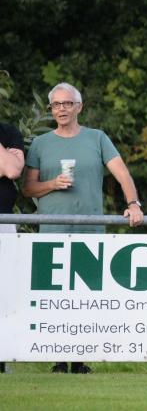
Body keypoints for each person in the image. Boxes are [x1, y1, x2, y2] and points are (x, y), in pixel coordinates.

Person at [22, 82, 144, 374]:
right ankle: (59, 360)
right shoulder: (41, 144)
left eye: (67, 104)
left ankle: (79, 360)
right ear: (50, 110)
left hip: (90, 231)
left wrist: (134, 203)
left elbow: (122, 172)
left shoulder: (97, 138)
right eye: (56, 105)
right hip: (51, 231)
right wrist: (52, 184)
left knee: (85, 298)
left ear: (79, 107)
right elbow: (27, 188)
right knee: (54, 299)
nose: (61, 109)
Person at [0, 121, 24, 374]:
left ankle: (0, 358)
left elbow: (12, 170)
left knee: (3, 295)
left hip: (2, 223)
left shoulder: (8, 132)